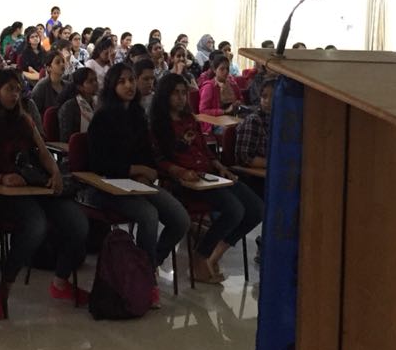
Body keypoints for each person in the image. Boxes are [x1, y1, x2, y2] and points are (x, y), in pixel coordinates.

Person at [0, 68, 89, 321]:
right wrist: (1, 179)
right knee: (35, 226)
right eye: (9, 89)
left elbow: (43, 153)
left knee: (78, 223)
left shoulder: (24, 121)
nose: (15, 94)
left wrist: (54, 172)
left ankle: (61, 282)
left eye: (18, 89)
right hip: (0, 194)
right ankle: (3, 289)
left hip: (32, 187)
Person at [84, 62, 188, 308]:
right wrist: (134, 170)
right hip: (107, 186)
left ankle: (144, 268)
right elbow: (99, 162)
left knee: (180, 219)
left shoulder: (138, 115)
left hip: (137, 184)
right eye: (122, 81)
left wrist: (146, 173)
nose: (129, 85)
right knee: (149, 215)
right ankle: (148, 282)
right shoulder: (102, 117)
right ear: (112, 85)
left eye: (132, 80)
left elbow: (146, 154)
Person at [152, 72, 263, 285]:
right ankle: (201, 256)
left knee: (257, 209)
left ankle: (213, 254)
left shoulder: (189, 120)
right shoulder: (158, 124)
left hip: (208, 174)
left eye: (184, 93)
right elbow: (159, 159)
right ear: (165, 95)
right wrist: (180, 171)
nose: (181, 98)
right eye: (175, 93)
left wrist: (221, 166)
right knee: (235, 210)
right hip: (185, 181)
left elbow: (205, 150)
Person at [57, 67, 97, 141]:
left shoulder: (97, 103)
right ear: (80, 87)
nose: (95, 83)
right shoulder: (69, 107)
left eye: (95, 80)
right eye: (90, 81)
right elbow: (66, 139)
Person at [29, 50, 68, 119]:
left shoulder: (68, 85)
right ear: (48, 68)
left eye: (63, 61)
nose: (62, 64)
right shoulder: (41, 87)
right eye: (58, 62)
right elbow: (34, 113)